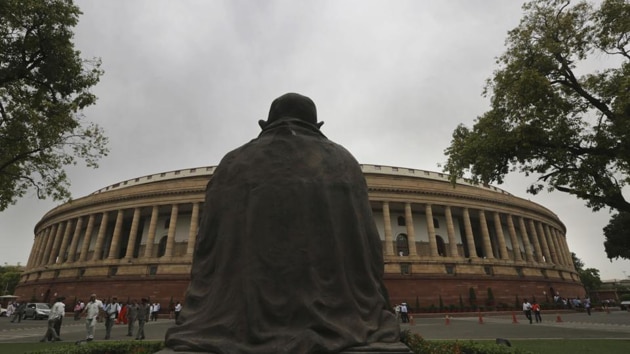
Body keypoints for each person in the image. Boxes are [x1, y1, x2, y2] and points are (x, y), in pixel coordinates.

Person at [163, 93, 400, 353]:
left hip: (234, 311)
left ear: (264, 124)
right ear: (318, 126)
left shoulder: (232, 163)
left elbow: (206, 243)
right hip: (342, 314)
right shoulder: (343, 161)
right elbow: (369, 247)